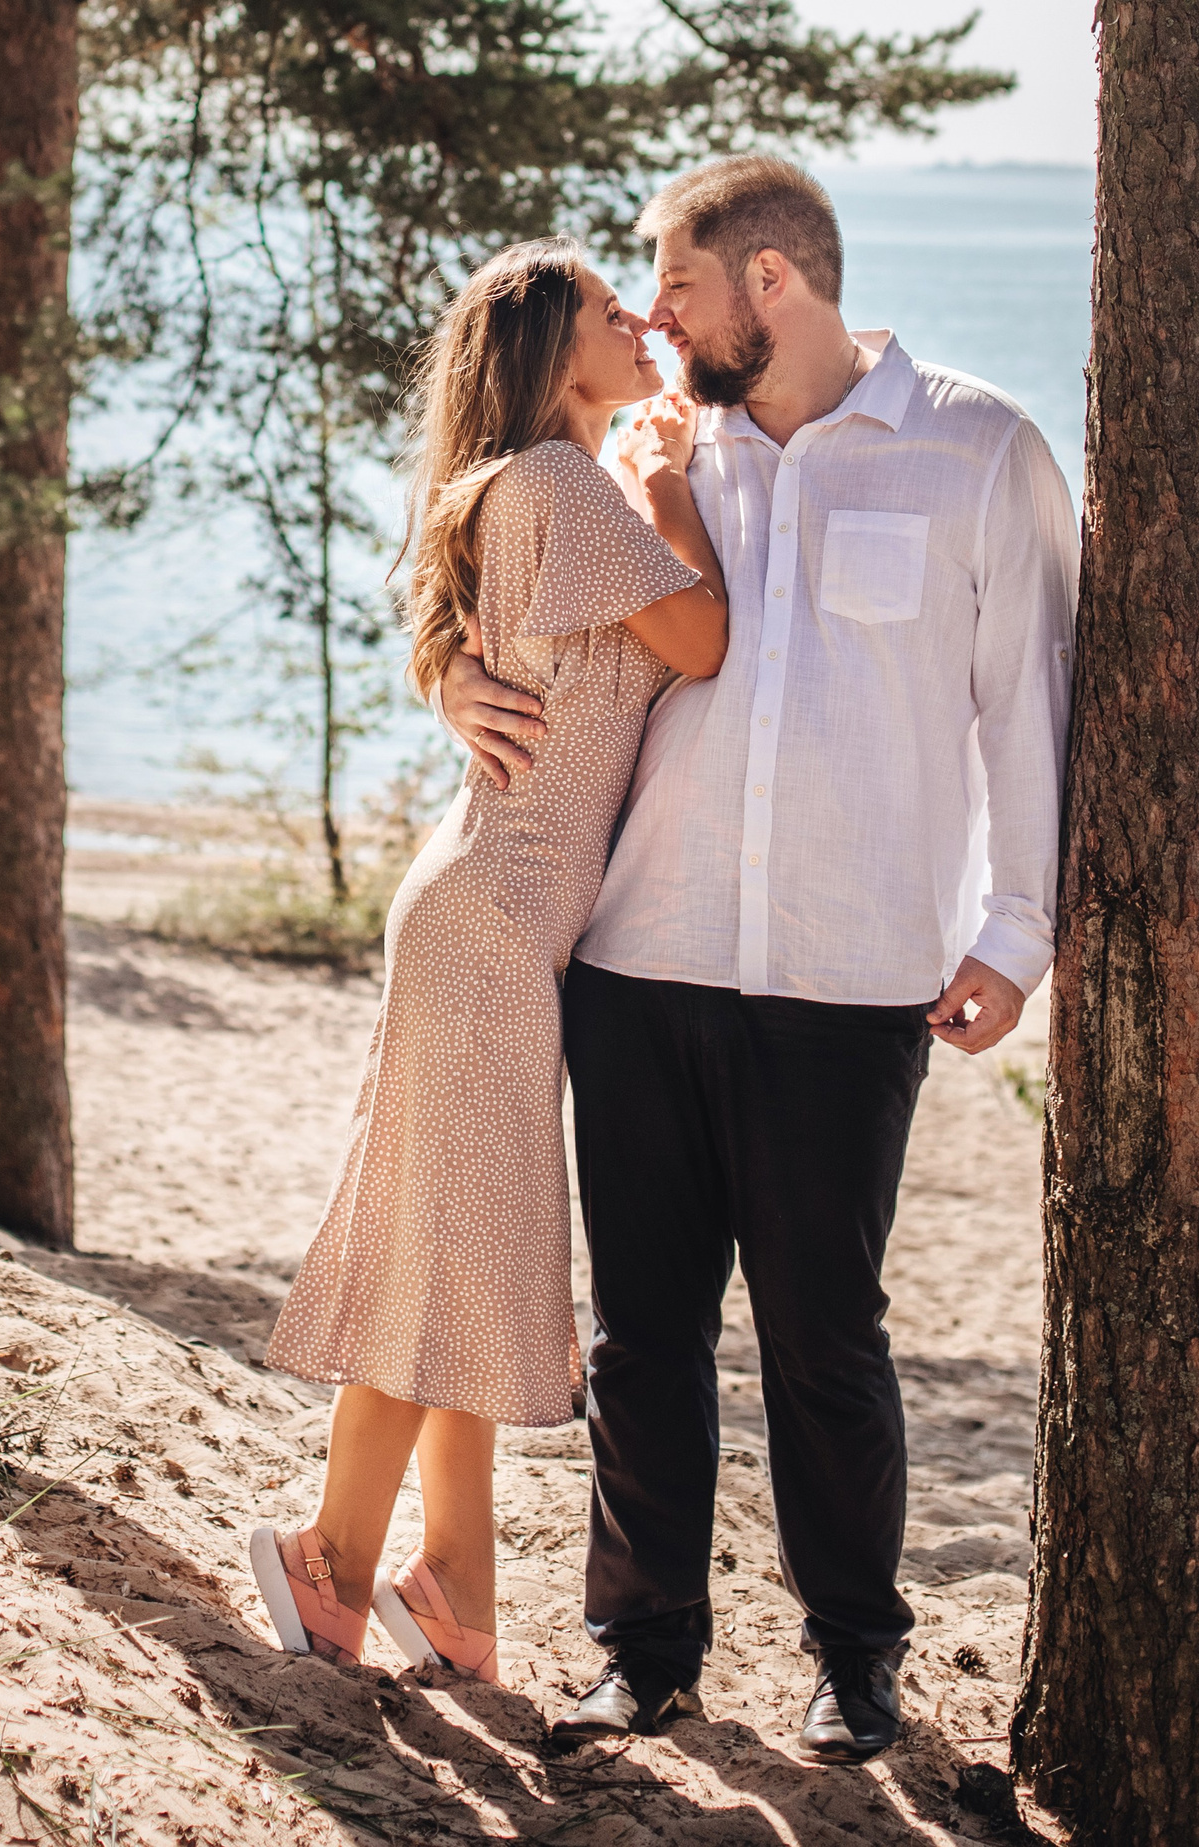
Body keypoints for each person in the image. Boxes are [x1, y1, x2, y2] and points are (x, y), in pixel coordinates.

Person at [437, 157, 1079, 1762]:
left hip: (853, 978)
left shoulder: (979, 451)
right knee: (641, 1337)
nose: (654, 312)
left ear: (772, 280)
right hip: (639, 959)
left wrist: (1016, 932)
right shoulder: (655, 451)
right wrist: (447, 671)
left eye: (678, 280)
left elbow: (1035, 713)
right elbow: (489, 551)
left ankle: (857, 1658)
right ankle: (641, 1650)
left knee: (825, 1337)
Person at [246, 237, 730, 1687]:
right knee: (436, 1258)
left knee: (458, 1252)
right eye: (605, 308)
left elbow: (500, 657)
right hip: (492, 927)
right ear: (545, 353)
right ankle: (331, 1565)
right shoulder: (571, 487)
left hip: (492, 920)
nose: (638, 317)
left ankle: (453, 1588)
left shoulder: (520, 493)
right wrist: (672, 486)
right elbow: (701, 643)